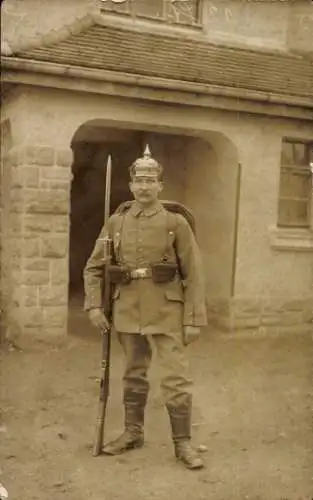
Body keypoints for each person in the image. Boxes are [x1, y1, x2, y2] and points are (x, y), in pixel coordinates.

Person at [83, 145, 207, 470]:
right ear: (131, 185)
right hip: (127, 309)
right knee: (133, 374)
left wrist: (193, 319)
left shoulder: (175, 223)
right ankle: (132, 432)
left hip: (168, 310)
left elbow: (194, 273)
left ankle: (183, 444)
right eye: (139, 180)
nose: (144, 186)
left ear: (161, 186)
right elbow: (94, 267)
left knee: (175, 378)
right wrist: (95, 306)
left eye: (151, 180)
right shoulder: (116, 223)